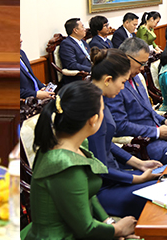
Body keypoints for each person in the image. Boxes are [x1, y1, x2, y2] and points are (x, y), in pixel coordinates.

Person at [23, 80, 138, 240]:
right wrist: (117, 230)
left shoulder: (74, 144)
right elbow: (86, 229)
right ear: (93, 119)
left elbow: (88, 194)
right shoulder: (64, 163)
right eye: (103, 110)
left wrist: (109, 223)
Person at [85, 50, 162, 220]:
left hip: (116, 176)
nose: (122, 87)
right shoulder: (91, 109)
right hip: (104, 189)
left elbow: (107, 144)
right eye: (122, 82)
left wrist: (139, 163)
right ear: (107, 80)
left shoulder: (97, 98)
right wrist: (137, 179)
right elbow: (100, 168)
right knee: (165, 189)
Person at [106, 37, 167, 164]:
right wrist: (156, 132)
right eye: (141, 63)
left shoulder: (136, 77)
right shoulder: (114, 86)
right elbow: (120, 126)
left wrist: (164, 121)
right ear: (127, 58)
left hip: (158, 130)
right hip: (143, 141)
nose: (143, 68)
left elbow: (148, 109)